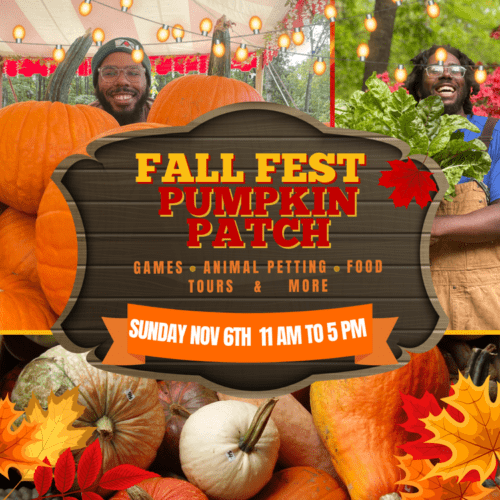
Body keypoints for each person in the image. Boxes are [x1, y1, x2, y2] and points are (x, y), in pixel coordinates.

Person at [405, 44, 500, 330]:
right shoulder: (399, 142)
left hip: (485, 309)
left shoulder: (494, 134)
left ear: (469, 85)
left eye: (456, 70)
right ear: (419, 88)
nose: (446, 75)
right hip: (417, 308)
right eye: (434, 69)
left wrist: (433, 226)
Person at [90, 37, 154, 125]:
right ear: (97, 81)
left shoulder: (164, 117)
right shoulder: (82, 120)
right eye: (110, 73)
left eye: (133, 73)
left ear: (146, 81)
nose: (122, 81)